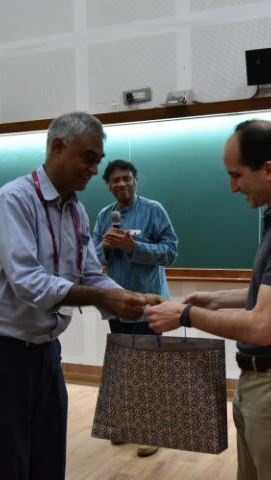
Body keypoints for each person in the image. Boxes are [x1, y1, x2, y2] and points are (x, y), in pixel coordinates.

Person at [0, 112, 162, 480]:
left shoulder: (77, 211)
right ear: (57, 147)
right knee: (8, 466)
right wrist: (106, 299)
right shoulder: (15, 200)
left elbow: (90, 273)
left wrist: (130, 298)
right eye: (88, 158)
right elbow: (29, 282)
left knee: (49, 461)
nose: (95, 170)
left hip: (45, 351)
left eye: (98, 160)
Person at [145, 119, 271, 480]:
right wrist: (215, 300)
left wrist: (186, 315)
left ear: (270, 170)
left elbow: (262, 326)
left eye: (236, 175)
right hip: (269, 383)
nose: (233, 187)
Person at [93, 159, 178, 457]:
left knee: (149, 369)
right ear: (108, 186)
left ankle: (151, 431)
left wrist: (135, 247)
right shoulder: (104, 216)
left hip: (149, 305)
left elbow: (171, 251)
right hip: (117, 304)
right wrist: (104, 247)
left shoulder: (154, 210)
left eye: (126, 178)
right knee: (124, 367)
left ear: (135, 181)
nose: (121, 184)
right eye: (115, 180)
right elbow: (90, 257)